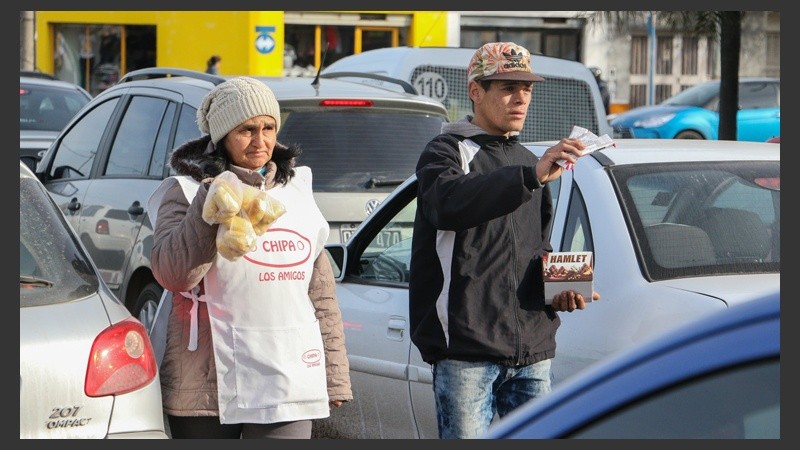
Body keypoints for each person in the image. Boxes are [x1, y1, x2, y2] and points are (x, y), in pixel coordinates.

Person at [408, 42, 600, 439]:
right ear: (475, 91)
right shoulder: (445, 151)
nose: (521, 98)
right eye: (508, 88)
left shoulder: (528, 160)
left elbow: (535, 249)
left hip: (533, 352)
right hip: (466, 353)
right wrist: (530, 177)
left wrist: (563, 288)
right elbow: (448, 204)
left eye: (526, 89)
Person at [150, 76, 352, 439]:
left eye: (268, 128)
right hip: (207, 380)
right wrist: (210, 201)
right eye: (247, 130)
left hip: (286, 374)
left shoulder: (296, 192)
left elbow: (319, 293)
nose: (260, 141)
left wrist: (334, 375)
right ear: (222, 137)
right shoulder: (186, 192)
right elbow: (174, 274)